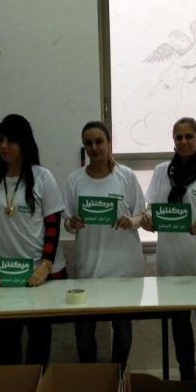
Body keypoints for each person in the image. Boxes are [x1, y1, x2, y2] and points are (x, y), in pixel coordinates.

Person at [141, 117, 196, 392]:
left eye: (189, 136)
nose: (184, 142)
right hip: (171, 265)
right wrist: (148, 220)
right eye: (178, 137)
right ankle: (188, 383)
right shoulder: (161, 171)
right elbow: (151, 209)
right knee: (180, 329)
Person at [0, 114, 66, 368]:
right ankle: (11, 391)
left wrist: (45, 266)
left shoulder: (43, 177)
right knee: (6, 344)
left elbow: (53, 227)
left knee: (38, 344)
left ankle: (38, 391)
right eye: (0, 140)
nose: (4, 146)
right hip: (5, 274)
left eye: (11, 141)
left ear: (24, 143)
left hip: (39, 274)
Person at [63, 121, 145, 370]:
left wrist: (131, 221)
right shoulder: (74, 180)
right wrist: (72, 223)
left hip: (124, 268)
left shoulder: (126, 176)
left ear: (109, 143)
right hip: (89, 267)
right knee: (84, 328)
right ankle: (92, 377)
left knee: (122, 327)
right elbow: (67, 222)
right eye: (88, 143)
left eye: (99, 141)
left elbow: (142, 215)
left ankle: (118, 376)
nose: (94, 147)